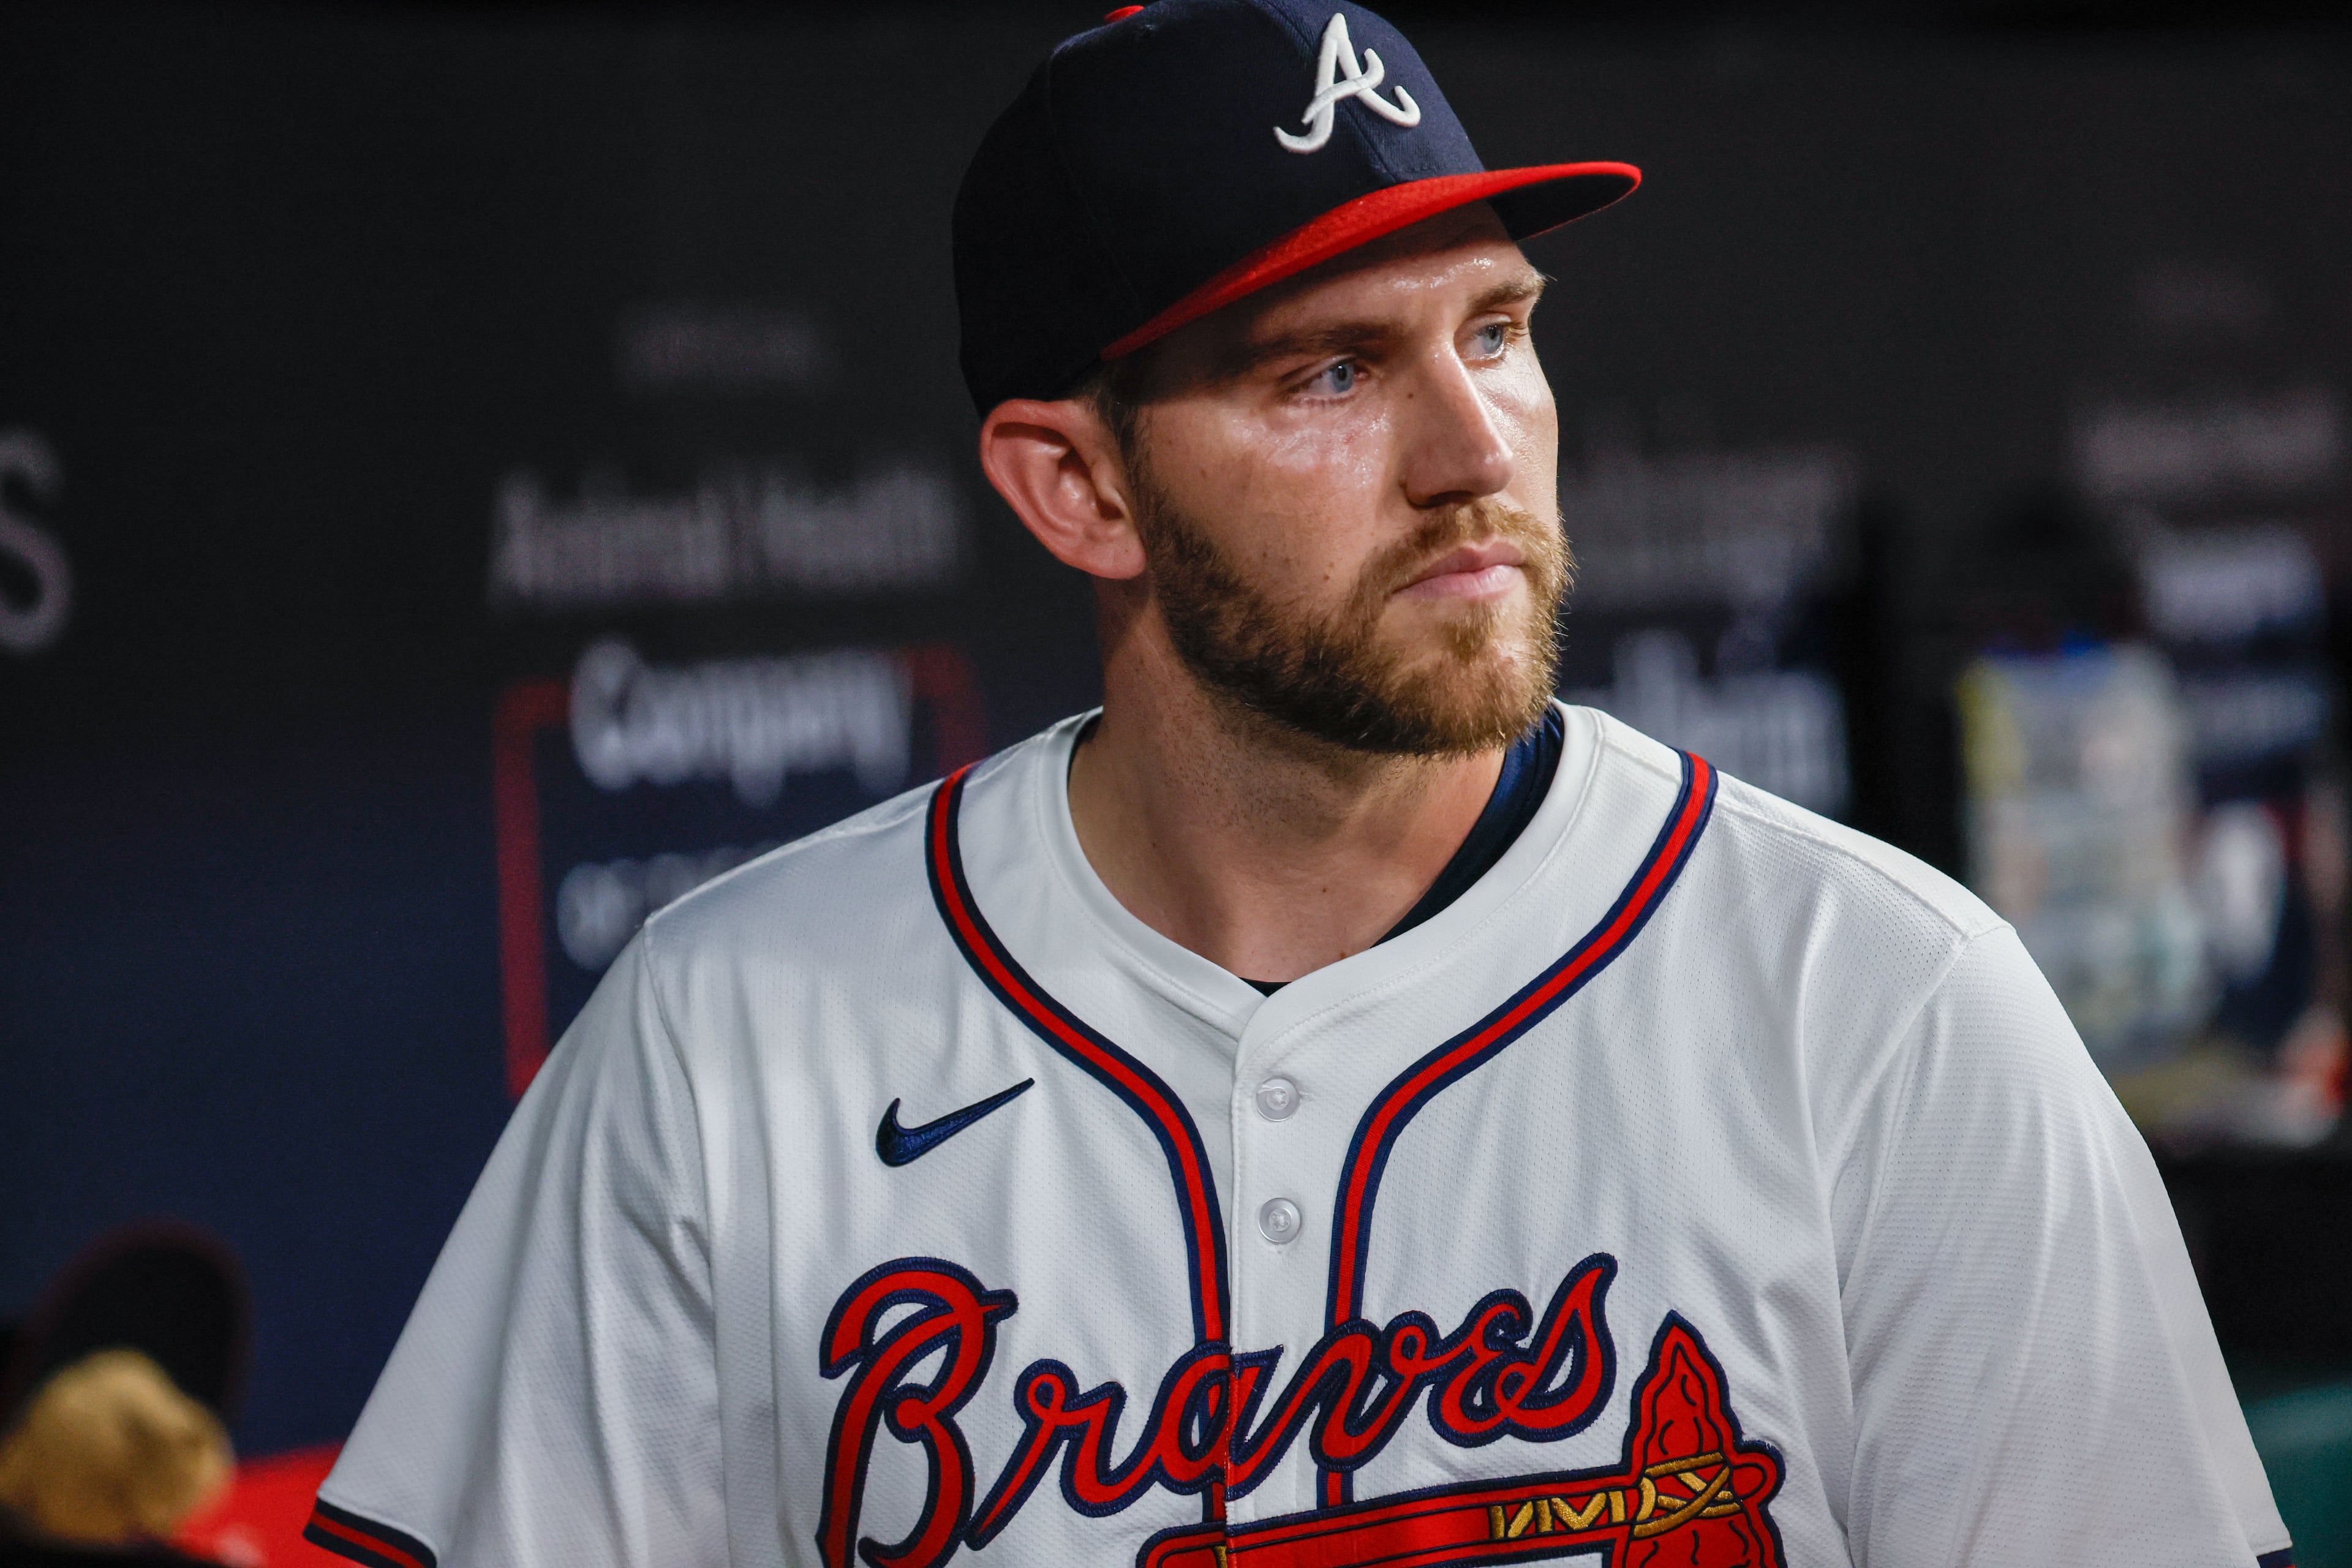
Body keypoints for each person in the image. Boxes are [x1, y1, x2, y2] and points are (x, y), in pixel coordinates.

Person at [309, 2, 2293, 1564]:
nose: (1472, 451)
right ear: (1077, 487)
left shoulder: (1883, 1007)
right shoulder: (717, 1037)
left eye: (1497, 332)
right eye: (1328, 372)